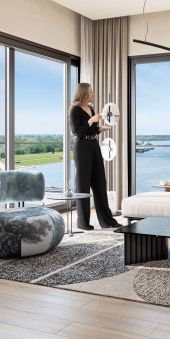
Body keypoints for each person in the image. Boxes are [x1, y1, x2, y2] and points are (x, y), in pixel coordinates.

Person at [69, 82, 119, 230]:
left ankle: (107, 221)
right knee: (83, 185)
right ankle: (83, 223)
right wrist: (91, 120)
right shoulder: (74, 111)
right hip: (82, 147)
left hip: (94, 145)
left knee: (100, 183)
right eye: (91, 92)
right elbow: (77, 132)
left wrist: (100, 129)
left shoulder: (90, 108)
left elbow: (90, 130)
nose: (93, 94)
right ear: (83, 93)